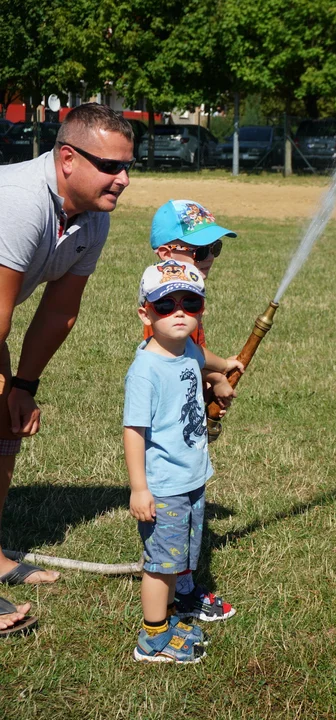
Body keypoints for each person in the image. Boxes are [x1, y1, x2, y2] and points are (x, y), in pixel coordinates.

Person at [0, 102, 134, 600]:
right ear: (68, 159)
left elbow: (60, 312)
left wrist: (23, 386)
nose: (122, 180)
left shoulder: (92, 218)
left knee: (4, 423)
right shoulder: (19, 199)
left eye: (127, 167)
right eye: (110, 166)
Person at [124, 260, 242, 663]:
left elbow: (201, 356)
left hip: (191, 478)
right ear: (145, 313)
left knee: (178, 559)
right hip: (164, 486)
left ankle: (171, 616)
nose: (179, 312)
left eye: (190, 303)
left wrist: (223, 371)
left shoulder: (185, 347)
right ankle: (152, 638)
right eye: (165, 304)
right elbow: (134, 432)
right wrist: (140, 487)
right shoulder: (146, 371)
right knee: (161, 564)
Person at [148, 199, 239, 621]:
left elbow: (194, 354)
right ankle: (177, 599)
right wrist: (217, 375)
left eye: (214, 249)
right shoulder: (165, 303)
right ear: (167, 253)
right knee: (178, 521)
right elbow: (184, 354)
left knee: (192, 517)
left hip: (188, 437)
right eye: (201, 251)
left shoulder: (184, 299)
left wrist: (214, 376)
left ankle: (181, 587)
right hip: (170, 448)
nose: (210, 259)